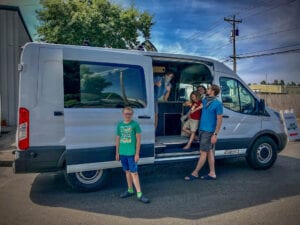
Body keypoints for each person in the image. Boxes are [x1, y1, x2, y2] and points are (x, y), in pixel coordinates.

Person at [184, 84, 223, 181]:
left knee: (203, 152)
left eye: (209, 89)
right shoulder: (205, 100)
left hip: (208, 131)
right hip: (202, 129)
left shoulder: (218, 104)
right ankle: (212, 173)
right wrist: (191, 111)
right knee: (209, 152)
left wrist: (215, 134)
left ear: (213, 91)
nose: (207, 90)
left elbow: (219, 120)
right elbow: (200, 106)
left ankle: (195, 173)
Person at [116, 107, 150, 203]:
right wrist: (117, 152)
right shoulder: (120, 125)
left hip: (131, 153)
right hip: (122, 152)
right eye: (126, 114)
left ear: (132, 115)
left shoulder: (135, 125)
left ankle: (139, 194)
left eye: (130, 114)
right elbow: (118, 139)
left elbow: (138, 140)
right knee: (127, 172)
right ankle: (130, 190)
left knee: (134, 173)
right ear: (123, 114)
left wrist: (137, 154)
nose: (128, 115)